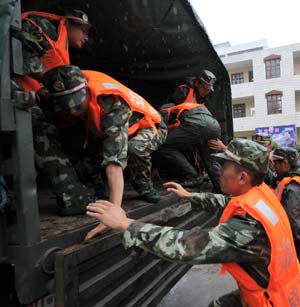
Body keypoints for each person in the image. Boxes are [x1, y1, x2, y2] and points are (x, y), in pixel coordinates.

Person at [86, 138, 300, 307]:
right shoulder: (262, 194)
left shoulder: (245, 229)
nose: (218, 169)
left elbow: (185, 245)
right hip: (278, 289)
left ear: (242, 177)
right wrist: (191, 196)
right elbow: (228, 202)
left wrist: (126, 224)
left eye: (223, 164)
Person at [36, 65, 167, 216]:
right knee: (83, 155)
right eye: (66, 106)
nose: (72, 111)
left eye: (77, 105)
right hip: (116, 130)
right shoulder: (70, 84)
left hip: (148, 127)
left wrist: (113, 212)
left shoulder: (111, 104)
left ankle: (144, 187)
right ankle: (99, 191)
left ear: (86, 90)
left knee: (134, 148)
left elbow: (114, 162)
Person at [157, 70, 221, 190]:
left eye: (208, 89)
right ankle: (222, 189)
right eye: (205, 88)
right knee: (210, 160)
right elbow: (170, 109)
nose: (206, 91)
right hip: (197, 125)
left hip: (197, 125)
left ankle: (194, 176)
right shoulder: (183, 91)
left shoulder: (202, 97)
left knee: (166, 147)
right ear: (197, 83)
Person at [14, 8, 90, 92]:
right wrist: (52, 82)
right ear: (68, 24)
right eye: (83, 31)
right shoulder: (46, 28)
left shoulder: (64, 46)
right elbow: (21, 50)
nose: (86, 38)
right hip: (16, 90)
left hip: (32, 95)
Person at [271, 147, 300, 257]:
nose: (273, 167)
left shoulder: (292, 188)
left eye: (276, 163)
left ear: (285, 164)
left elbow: (293, 225)